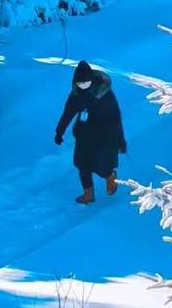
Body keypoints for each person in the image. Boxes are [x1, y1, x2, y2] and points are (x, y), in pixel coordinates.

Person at [54, 59, 126, 204]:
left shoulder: (106, 94)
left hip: (105, 136)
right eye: (80, 83)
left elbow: (116, 118)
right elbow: (68, 112)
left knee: (102, 166)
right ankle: (88, 194)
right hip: (84, 135)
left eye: (86, 83)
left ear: (92, 81)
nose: (83, 86)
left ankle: (110, 175)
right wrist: (59, 132)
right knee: (82, 164)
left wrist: (120, 141)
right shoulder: (76, 94)